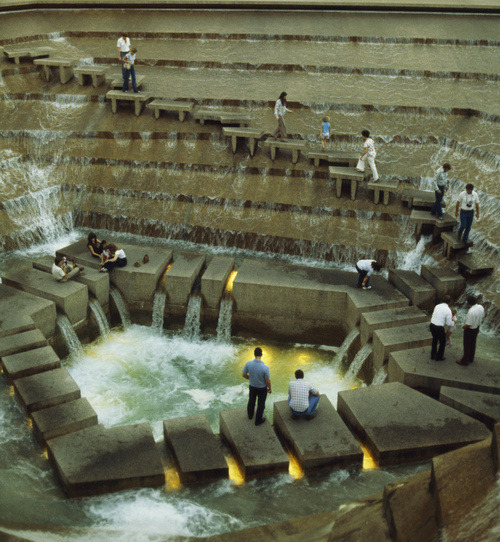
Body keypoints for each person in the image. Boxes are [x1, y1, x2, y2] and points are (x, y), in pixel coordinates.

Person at [242, 347, 272, 426]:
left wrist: (249, 378)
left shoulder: (248, 363)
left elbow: (243, 374)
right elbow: (267, 381)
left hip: (252, 386)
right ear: (261, 355)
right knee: (261, 404)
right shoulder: (265, 367)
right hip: (262, 388)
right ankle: (258, 420)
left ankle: (250, 415)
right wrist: (270, 388)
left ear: (254, 354)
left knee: (251, 401)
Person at [457, 295, 485, 366]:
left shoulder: (471, 312)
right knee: (473, 344)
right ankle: (471, 358)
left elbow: (468, 324)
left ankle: (464, 361)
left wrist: (463, 327)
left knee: (466, 345)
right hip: (477, 328)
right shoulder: (480, 307)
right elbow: (483, 316)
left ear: (468, 303)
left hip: (470, 330)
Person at [429, 295, 453, 361]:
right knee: (442, 342)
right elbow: (448, 323)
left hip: (432, 325)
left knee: (435, 339)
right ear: (449, 302)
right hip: (439, 327)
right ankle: (439, 357)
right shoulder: (448, 310)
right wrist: (453, 322)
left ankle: (433, 355)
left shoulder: (437, 306)